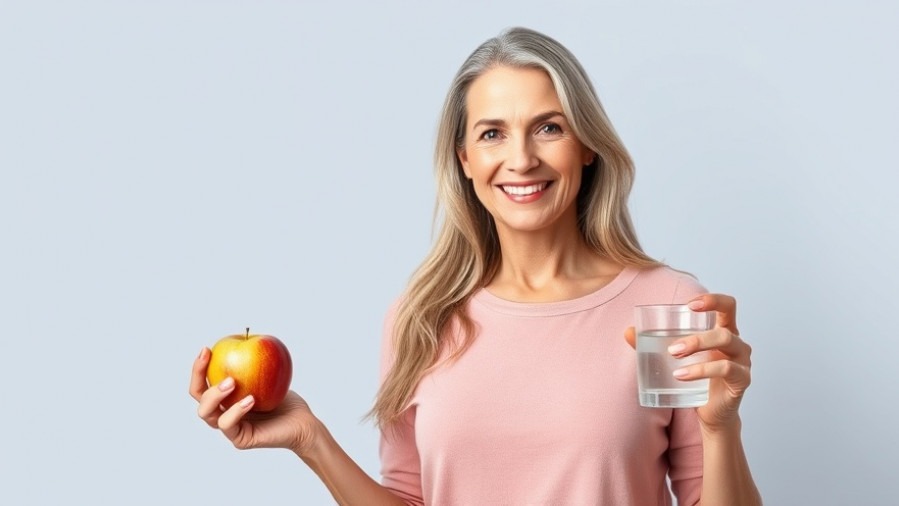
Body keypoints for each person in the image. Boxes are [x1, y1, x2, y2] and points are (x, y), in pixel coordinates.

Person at [190, 27, 761, 505]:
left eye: (549, 127)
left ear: (586, 143)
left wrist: (721, 427)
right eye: (493, 134)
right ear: (465, 159)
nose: (521, 159)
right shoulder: (420, 318)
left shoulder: (667, 306)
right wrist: (309, 438)